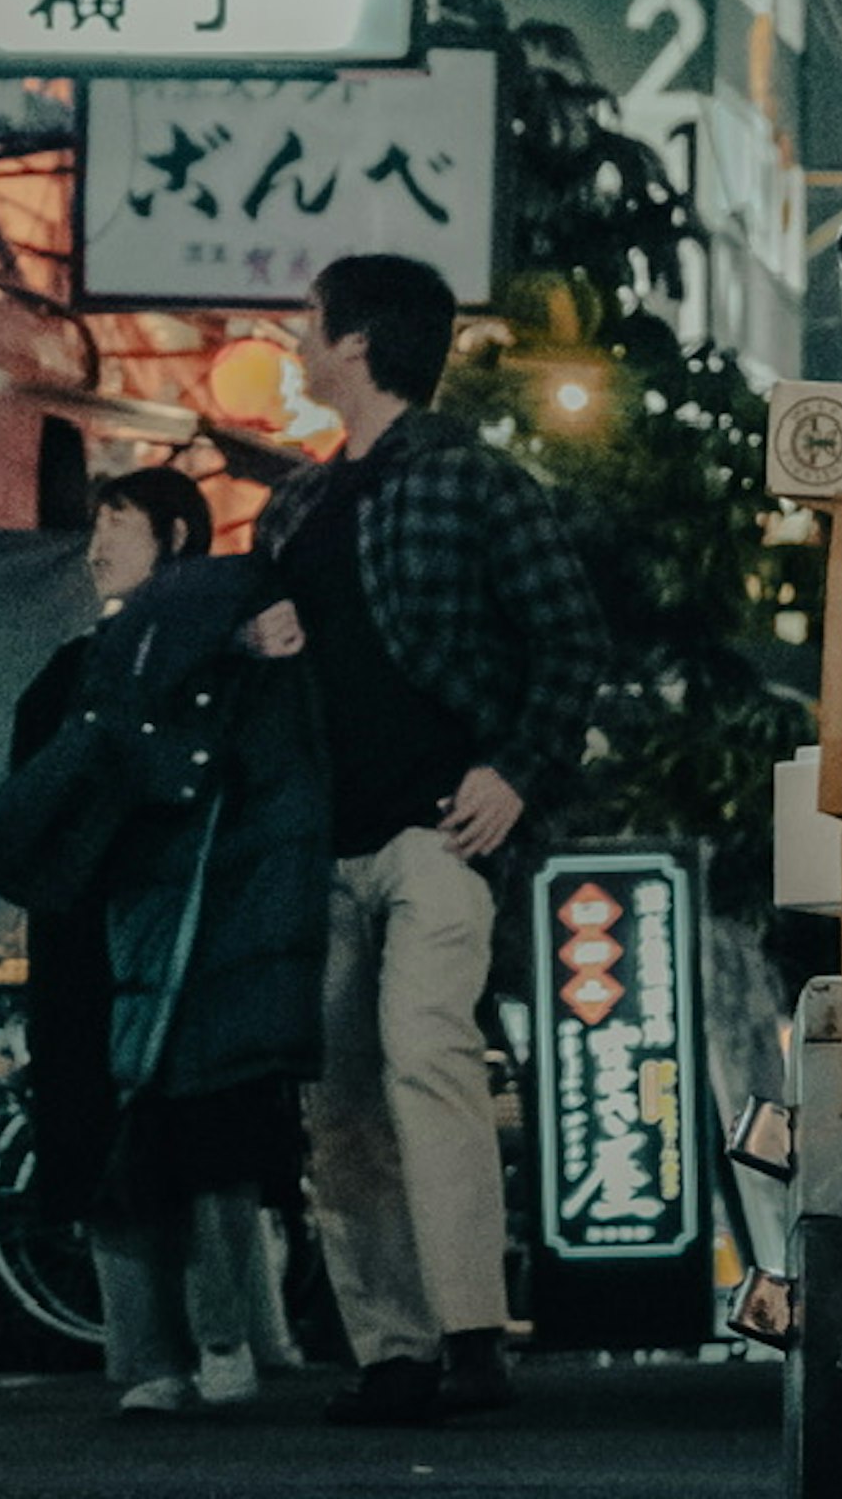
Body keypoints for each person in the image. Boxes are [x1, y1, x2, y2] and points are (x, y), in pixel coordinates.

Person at [249, 250, 609, 1426]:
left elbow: (570, 638)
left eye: (309, 323)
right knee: (341, 1106)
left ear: (354, 342)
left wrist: (513, 769)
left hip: (435, 834)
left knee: (425, 1059)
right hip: (320, 838)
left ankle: (466, 1332)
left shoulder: (477, 483)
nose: (298, 343)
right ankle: (391, 1347)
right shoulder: (296, 504)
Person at [0, 466, 327, 1422]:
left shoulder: (223, 659)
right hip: (94, 926)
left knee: (197, 1132)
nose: (95, 548)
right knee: (117, 1134)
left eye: (117, 527)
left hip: (181, 922)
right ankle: (154, 1354)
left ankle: (221, 1341)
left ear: (176, 539)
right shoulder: (89, 660)